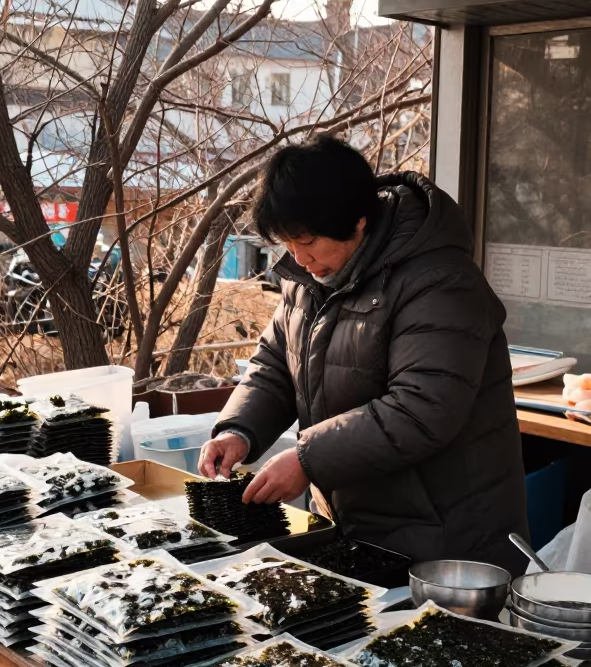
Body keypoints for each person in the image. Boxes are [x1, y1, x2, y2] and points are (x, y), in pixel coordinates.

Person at [198, 136, 528, 575]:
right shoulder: (309, 276)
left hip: (445, 536)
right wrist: (239, 430)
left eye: (308, 241)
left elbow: (421, 409)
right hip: (359, 523)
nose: (298, 258)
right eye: (288, 243)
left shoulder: (440, 282)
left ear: (356, 222)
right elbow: (277, 363)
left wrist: (307, 459)